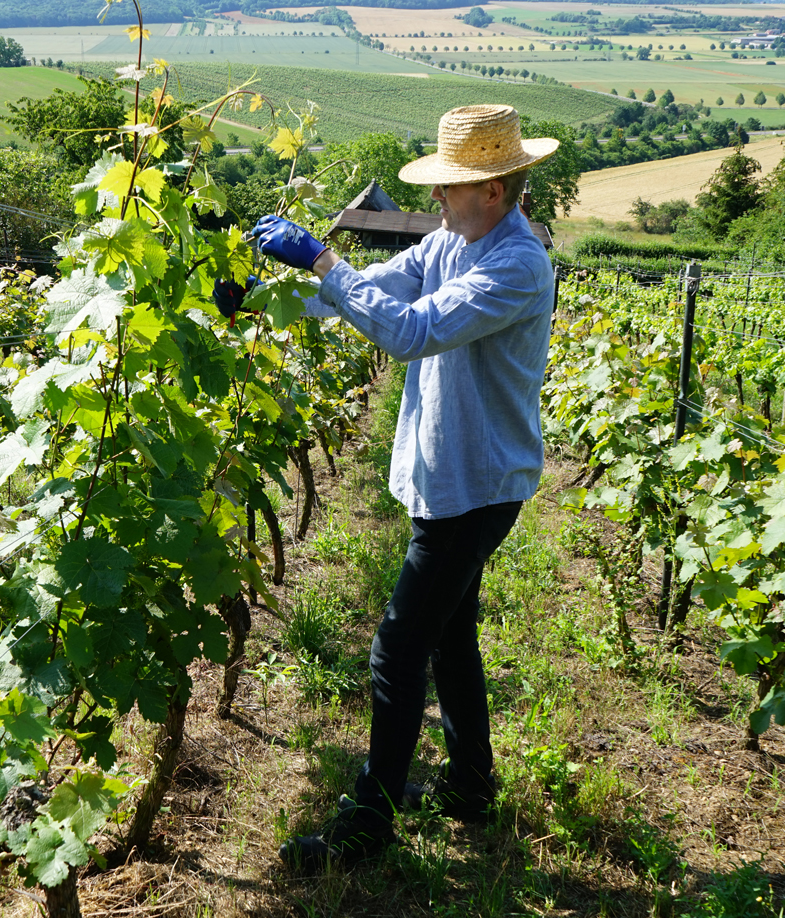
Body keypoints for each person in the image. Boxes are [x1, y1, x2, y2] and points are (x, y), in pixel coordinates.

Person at [246, 104, 559, 867]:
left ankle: (369, 821)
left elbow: (408, 331)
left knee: (397, 648)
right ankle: (470, 789)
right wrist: (259, 299)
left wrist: (323, 258)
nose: (438, 200)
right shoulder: (452, 241)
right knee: (450, 637)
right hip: (450, 476)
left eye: (450, 187)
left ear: (492, 189)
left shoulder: (514, 264)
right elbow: (367, 291)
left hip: (476, 484)